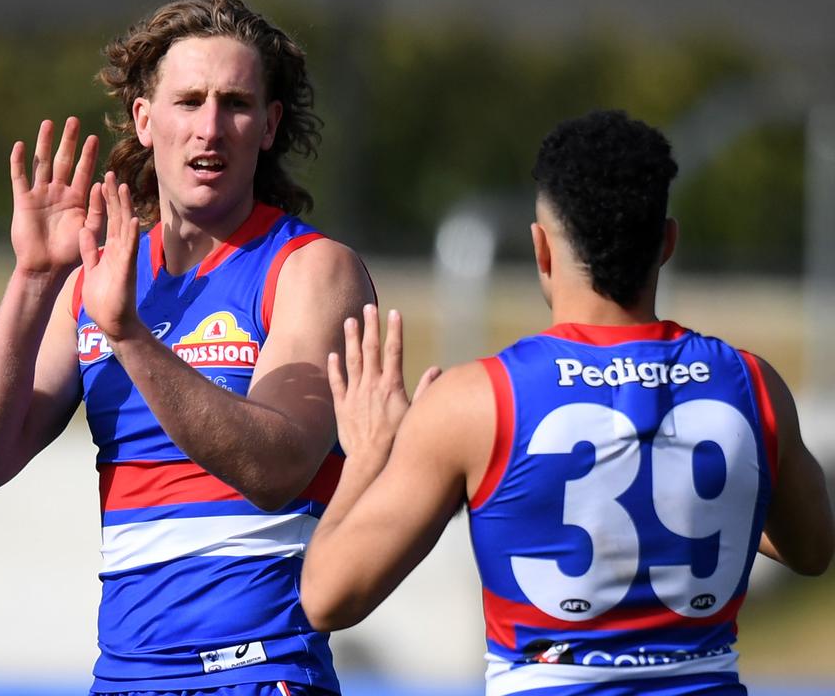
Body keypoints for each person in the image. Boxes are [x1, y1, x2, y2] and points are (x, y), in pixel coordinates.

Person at [300, 110, 835, 695]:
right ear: (668, 244)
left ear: (541, 250)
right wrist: (683, 491)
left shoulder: (474, 403)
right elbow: (812, 550)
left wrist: (369, 458)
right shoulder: (754, 385)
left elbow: (326, 598)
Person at [0, 0, 373, 696]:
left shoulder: (311, 269)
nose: (210, 128)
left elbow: (278, 467)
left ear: (269, 126)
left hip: (259, 673)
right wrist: (35, 277)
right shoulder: (97, 277)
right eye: (189, 100)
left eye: (235, 103)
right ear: (145, 119)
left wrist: (131, 337)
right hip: (124, 677)